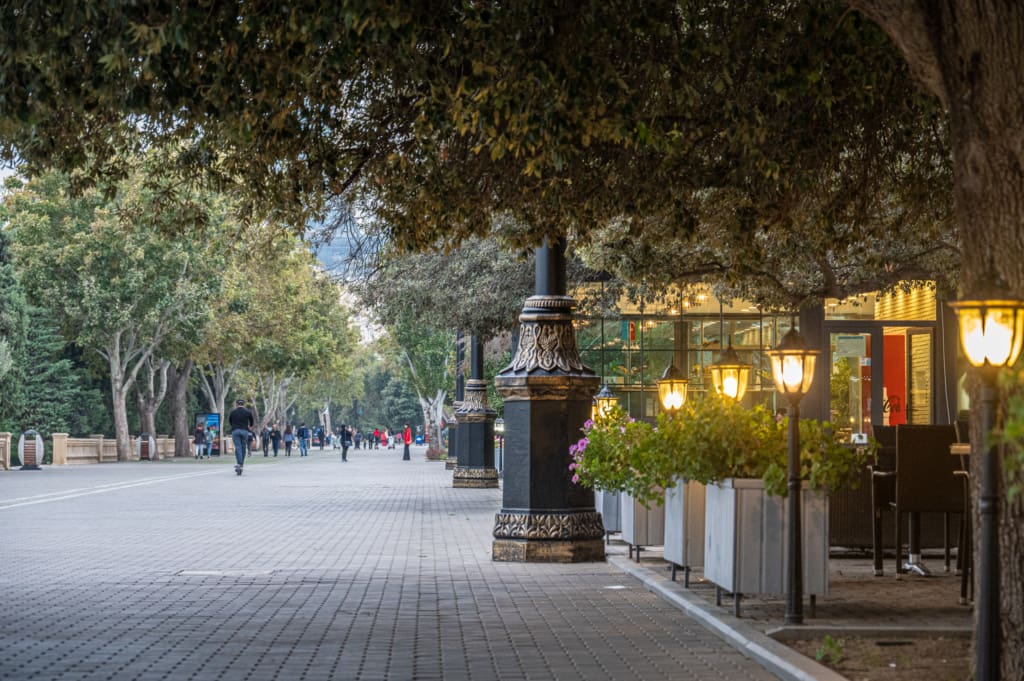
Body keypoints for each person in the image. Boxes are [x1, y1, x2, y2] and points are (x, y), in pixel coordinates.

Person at [229, 398, 255, 475]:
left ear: (237, 404)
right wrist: (249, 426)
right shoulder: (247, 412)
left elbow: (230, 421)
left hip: (235, 431)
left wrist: (234, 426)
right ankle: (241, 464)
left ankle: (239, 464)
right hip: (244, 431)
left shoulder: (233, 412)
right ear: (243, 404)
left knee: (238, 447)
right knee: (243, 448)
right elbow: (252, 421)